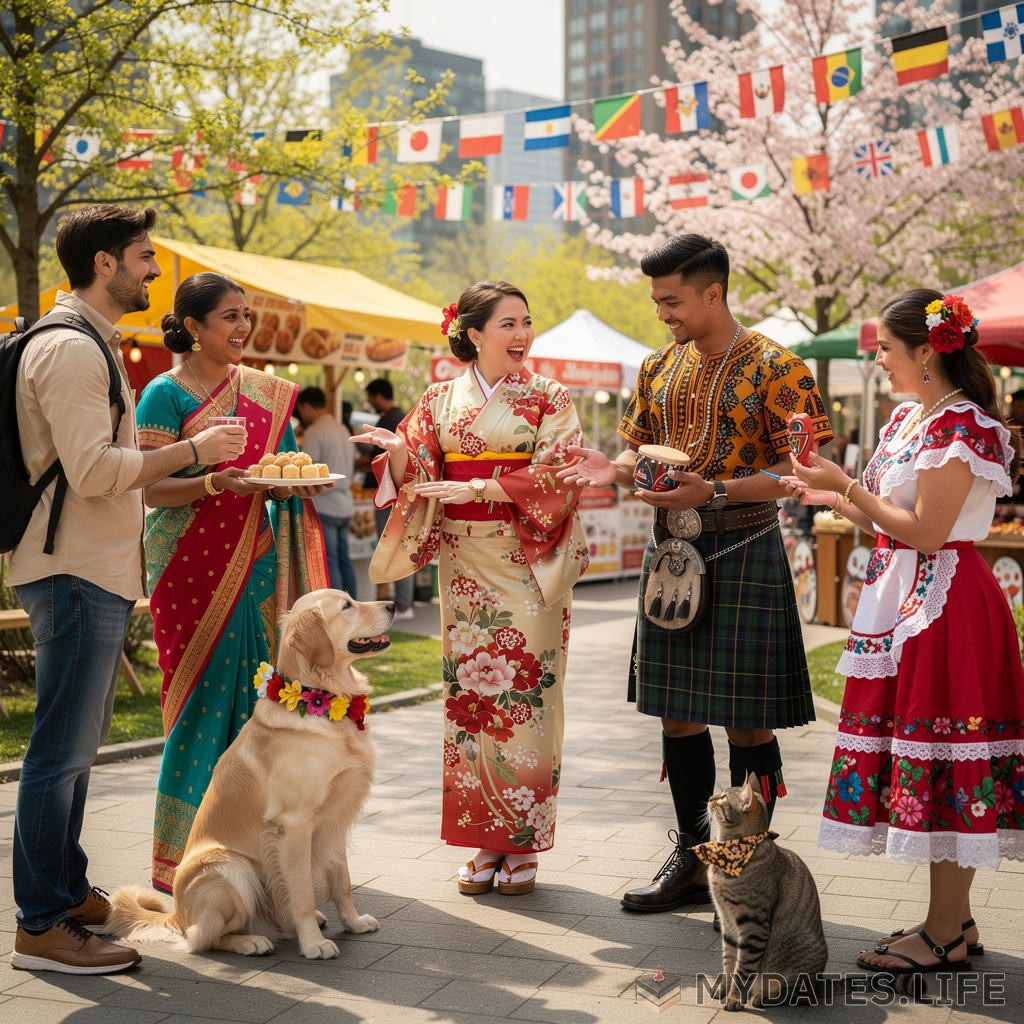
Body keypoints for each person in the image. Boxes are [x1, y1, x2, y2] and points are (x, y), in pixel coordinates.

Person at [558, 234, 833, 913]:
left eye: (672, 300)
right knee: (677, 716)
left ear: (714, 292)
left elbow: (798, 473)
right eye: (656, 301)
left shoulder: (781, 368)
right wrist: (611, 469)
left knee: (747, 723)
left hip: (743, 548)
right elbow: (637, 452)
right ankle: (691, 853)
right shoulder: (657, 366)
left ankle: (747, 870)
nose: (662, 314)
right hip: (671, 552)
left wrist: (710, 492)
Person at [8, 206, 245, 974]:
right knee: (59, 751)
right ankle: (41, 924)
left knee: (74, 750)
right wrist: (195, 452)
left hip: (86, 566)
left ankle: (69, 895)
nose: (153, 271)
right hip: (73, 566)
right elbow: (96, 472)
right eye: (144, 257)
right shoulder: (73, 351)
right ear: (105, 264)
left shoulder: (85, 343)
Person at [786, 289, 1024, 973]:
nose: (880, 360)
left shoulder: (961, 428)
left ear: (925, 351)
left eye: (887, 350)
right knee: (929, 756)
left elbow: (928, 530)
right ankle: (952, 921)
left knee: (944, 757)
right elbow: (886, 516)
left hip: (947, 606)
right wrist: (828, 492)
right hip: (907, 602)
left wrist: (848, 489)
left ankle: (945, 931)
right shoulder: (909, 420)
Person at [355, 281, 589, 895]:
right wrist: (398, 453)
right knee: (471, 703)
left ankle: (524, 841)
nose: (522, 335)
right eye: (508, 324)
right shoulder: (438, 398)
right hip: (462, 562)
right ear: (475, 332)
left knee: (527, 702)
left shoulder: (549, 397)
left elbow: (561, 475)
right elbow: (422, 470)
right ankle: (483, 839)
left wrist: (482, 490)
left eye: (527, 322)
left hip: (526, 562)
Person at [136, 272, 329, 894]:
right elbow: (151, 488)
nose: (243, 327)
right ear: (192, 328)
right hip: (188, 569)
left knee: (262, 707)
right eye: (229, 317)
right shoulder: (162, 396)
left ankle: (268, 864)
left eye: (246, 315)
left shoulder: (268, 395)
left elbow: (288, 471)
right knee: (198, 709)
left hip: (257, 562)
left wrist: (283, 488)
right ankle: (183, 864)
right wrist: (212, 477)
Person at [295, 386, 357, 595]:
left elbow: (305, 467)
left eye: (301, 410)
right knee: (343, 559)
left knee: (329, 561)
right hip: (346, 504)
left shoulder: (314, 432)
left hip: (325, 504)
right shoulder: (343, 429)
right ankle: (353, 605)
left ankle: (340, 609)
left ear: (307, 406)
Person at [363, 378, 415, 619]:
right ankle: (404, 603)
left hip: (389, 495)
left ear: (377, 396)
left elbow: (375, 459)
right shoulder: (405, 417)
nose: (369, 403)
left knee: (393, 548)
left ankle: (403, 604)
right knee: (402, 546)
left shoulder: (388, 420)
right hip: (405, 493)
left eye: (371, 398)